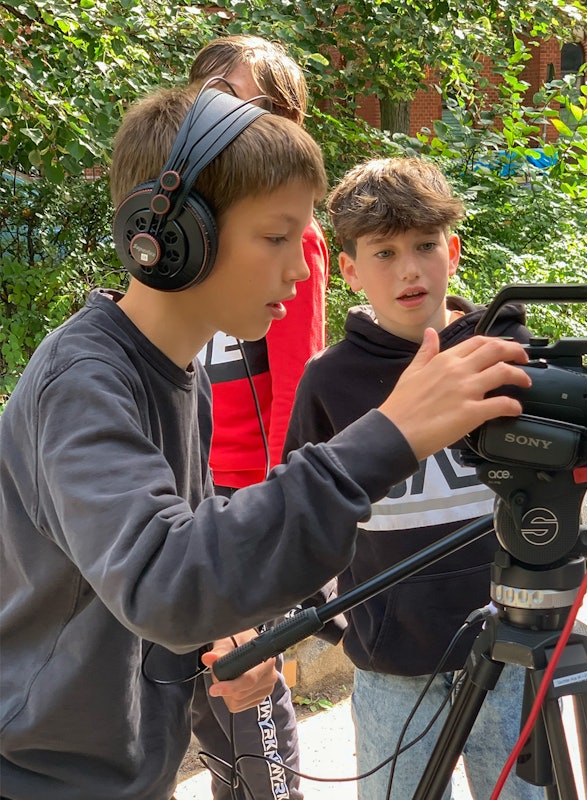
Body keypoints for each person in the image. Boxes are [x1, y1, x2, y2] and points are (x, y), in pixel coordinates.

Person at [0, 86, 531, 800]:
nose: (302, 268)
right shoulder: (84, 382)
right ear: (176, 237)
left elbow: (135, 579)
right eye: (277, 237)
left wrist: (210, 639)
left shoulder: (176, 375)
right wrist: (389, 435)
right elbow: (165, 580)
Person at [283, 158, 543, 800]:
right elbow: (305, 509)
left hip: (512, 650)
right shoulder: (328, 381)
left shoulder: (504, 352)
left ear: (452, 251)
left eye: (426, 245)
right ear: (347, 269)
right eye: (385, 251)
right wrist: (329, 619)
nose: (409, 269)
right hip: (391, 665)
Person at [188, 34, 329, 800]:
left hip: (247, 500)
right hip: (180, 499)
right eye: (215, 92)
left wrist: (279, 512)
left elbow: (298, 386)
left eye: (249, 99)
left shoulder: (290, 233)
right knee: (200, 703)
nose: (228, 111)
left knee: (248, 702)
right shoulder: (179, 229)